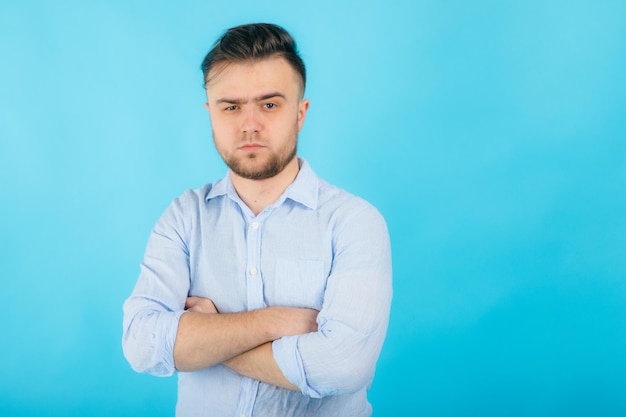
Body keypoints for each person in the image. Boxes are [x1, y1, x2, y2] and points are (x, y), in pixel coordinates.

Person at [122, 23, 392, 417]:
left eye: (269, 104)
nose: (249, 124)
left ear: (300, 113)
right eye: (230, 106)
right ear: (210, 114)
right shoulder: (184, 217)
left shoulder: (354, 222)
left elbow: (342, 366)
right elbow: (142, 345)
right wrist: (274, 322)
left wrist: (211, 340)